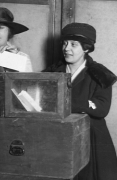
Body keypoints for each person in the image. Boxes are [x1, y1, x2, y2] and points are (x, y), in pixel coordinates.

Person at [44, 22, 117, 180]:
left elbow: (102, 108)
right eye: (64, 43)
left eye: (73, 44)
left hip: (91, 137)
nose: (66, 48)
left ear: (86, 48)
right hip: (57, 133)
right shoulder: (51, 72)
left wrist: (66, 104)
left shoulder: (101, 74)